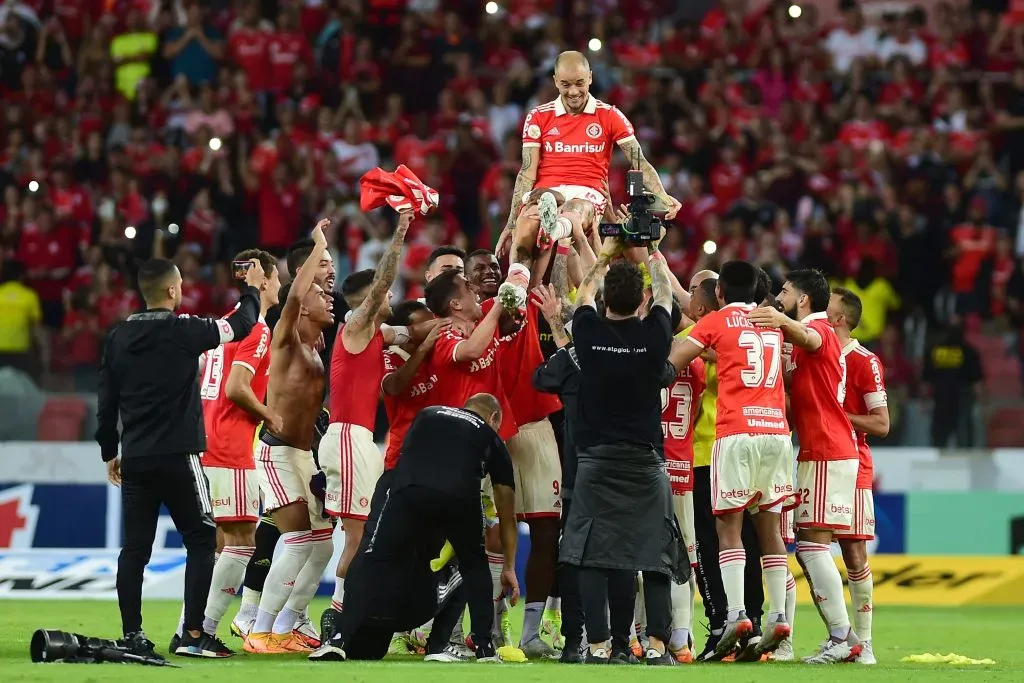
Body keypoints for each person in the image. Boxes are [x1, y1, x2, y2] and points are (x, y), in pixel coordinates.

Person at [96, 255, 264, 661]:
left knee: (134, 549)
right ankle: (192, 632)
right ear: (172, 290)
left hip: (135, 458)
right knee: (202, 538)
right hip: (179, 456)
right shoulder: (184, 329)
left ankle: (132, 633)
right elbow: (241, 324)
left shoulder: (118, 337)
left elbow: (106, 403)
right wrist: (252, 288)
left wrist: (109, 452)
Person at [310, 395, 521, 663]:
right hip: (459, 498)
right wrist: (509, 567)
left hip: (406, 493)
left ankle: (339, 640)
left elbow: (407, 458)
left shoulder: (428, 414)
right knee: (473, 566)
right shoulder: (491, 438)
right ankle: (479, 649)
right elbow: (506, 512)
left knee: (370, 558)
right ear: (494, 419)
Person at [667, 260, 795, 660]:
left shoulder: (717, 321)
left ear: (719, 292)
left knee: (729, 527)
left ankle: (736, 614)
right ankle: (776, 616)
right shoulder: (771, 322)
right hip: (776, 432)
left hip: (736, 432)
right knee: (769, 527)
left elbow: (673, 362)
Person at [561, 235, 680, 666]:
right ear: (641, 299)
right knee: (655, 551)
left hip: (595, 461)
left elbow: (584, 292)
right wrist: (649, 252)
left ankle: (597, 646)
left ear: (608, 298)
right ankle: (656, 647)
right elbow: (666, 293)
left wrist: (607, 251)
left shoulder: (589, 332)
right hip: (646, 462)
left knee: (591, 553)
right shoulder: (654, 337)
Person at [494, 50, 681, 310]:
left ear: (591, 78)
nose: (573, 92)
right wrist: (510, 222)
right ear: (555, 80)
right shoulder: (538, 116)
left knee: (573, 211)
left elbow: (639, 161)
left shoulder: (609, 115)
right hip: (546, 192)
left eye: (579, 83)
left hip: (587, 192)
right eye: (566, 84)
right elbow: (527, 171)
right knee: (526, 222)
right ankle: (516, 285)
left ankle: (554, 227)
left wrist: (662, 195)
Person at [748, 268, 863, 664]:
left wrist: (779, 322)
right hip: (818, 450)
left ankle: (842, 637)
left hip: (829, 449)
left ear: (802, 299)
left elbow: (813, 338)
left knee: (813, 546)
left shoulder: (819, 330)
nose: (779, 297)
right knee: (809, 547)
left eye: (784, 291)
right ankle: (839, 636)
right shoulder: (798, 341)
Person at [170, 249, 281, 658]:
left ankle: (188, 630)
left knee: (217, 544)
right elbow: (237, 387)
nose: (282, 284)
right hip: (230, 445)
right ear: (264, 280)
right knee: (242, 541)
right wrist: (270, 415)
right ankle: (202, 632)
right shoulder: (257, 329)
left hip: (205, 440)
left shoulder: (227, 325)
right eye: (278, 277)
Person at [233, 234, 339, 645]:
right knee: (295, 541)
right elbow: (294, 297)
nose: (328, 299)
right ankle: (259, 628)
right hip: (275, 452)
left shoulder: (316, 347)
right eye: (319, 293)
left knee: (323, 546)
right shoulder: (287, 336)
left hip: (302, 455)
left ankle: (287, 622)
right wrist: (317, 250)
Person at [318, 209, 415, 639]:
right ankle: (339, 620)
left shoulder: (374, 336)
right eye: (385, 296)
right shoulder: (355, 326)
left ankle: (328, 615)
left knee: (360, 531)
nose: (391, 301)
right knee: (357, 536)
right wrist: (401, 233)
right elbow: (381, 292)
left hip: (355, 438)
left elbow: (413, 334)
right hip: (348, 437)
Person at [465, 248, 563, 659]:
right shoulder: (470, 322)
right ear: (466, 284)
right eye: (480, 269)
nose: (490, 271)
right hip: (490, 433)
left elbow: (535, 260)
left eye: (495, 266)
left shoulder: (519, 300)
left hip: (537, 426)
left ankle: (530, 632)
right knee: (489, 534)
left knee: (546, 531)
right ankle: (488, 628)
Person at [828, 286, 890, 665]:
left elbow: (882, 423)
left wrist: (836, 417)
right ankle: (838, 636)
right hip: (814, 459)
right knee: (811, 548)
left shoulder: (864, 361)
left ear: (841, 318)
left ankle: (864, 643)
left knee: (853, 551)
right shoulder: (814, 349)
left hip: (852, 461)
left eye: (828, 307)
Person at [531, 282, 586, 663]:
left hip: (582, 467)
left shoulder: (587, 357)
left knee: (573, 550)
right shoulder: (633, 350)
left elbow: (545, 378)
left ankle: (575, 638)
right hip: (620, 464)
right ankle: (623, 637)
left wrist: (554, 322)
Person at [662, 311, 706, 663]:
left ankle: (640, 635)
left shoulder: (643, 354)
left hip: (649, 465)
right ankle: (683, 635)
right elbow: (696, 413)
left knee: (640, 554)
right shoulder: (696, 364)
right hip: (682, 466)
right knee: (685, 556)